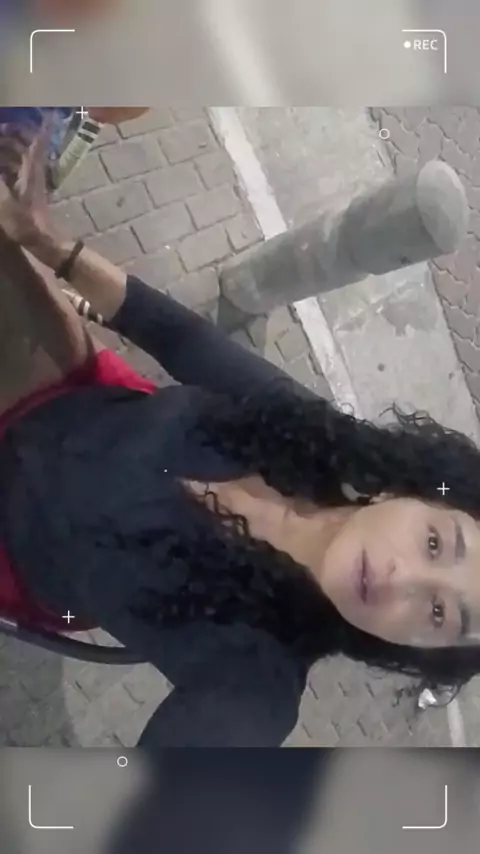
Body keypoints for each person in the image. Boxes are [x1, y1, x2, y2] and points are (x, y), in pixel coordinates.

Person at [0, 125, 479, 747]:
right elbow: (179, 336)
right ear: (407, 493)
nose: (400, 578)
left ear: (416, 650)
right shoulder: (307, 435)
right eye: (435, 543)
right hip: (62, 391)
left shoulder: (256, 684)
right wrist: (47, 241)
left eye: (438, 613)